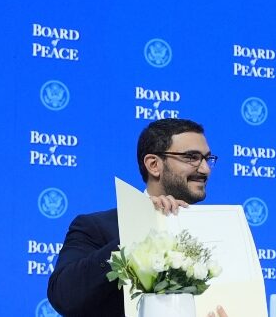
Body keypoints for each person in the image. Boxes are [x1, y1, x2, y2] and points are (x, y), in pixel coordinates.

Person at [47, 118, 227, 317]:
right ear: (153, 164)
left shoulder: (221, 232)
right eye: (191, 157)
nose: (205, 169)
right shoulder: (95, 227)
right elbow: (64, 297)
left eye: (207, 158)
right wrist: (141, 226)